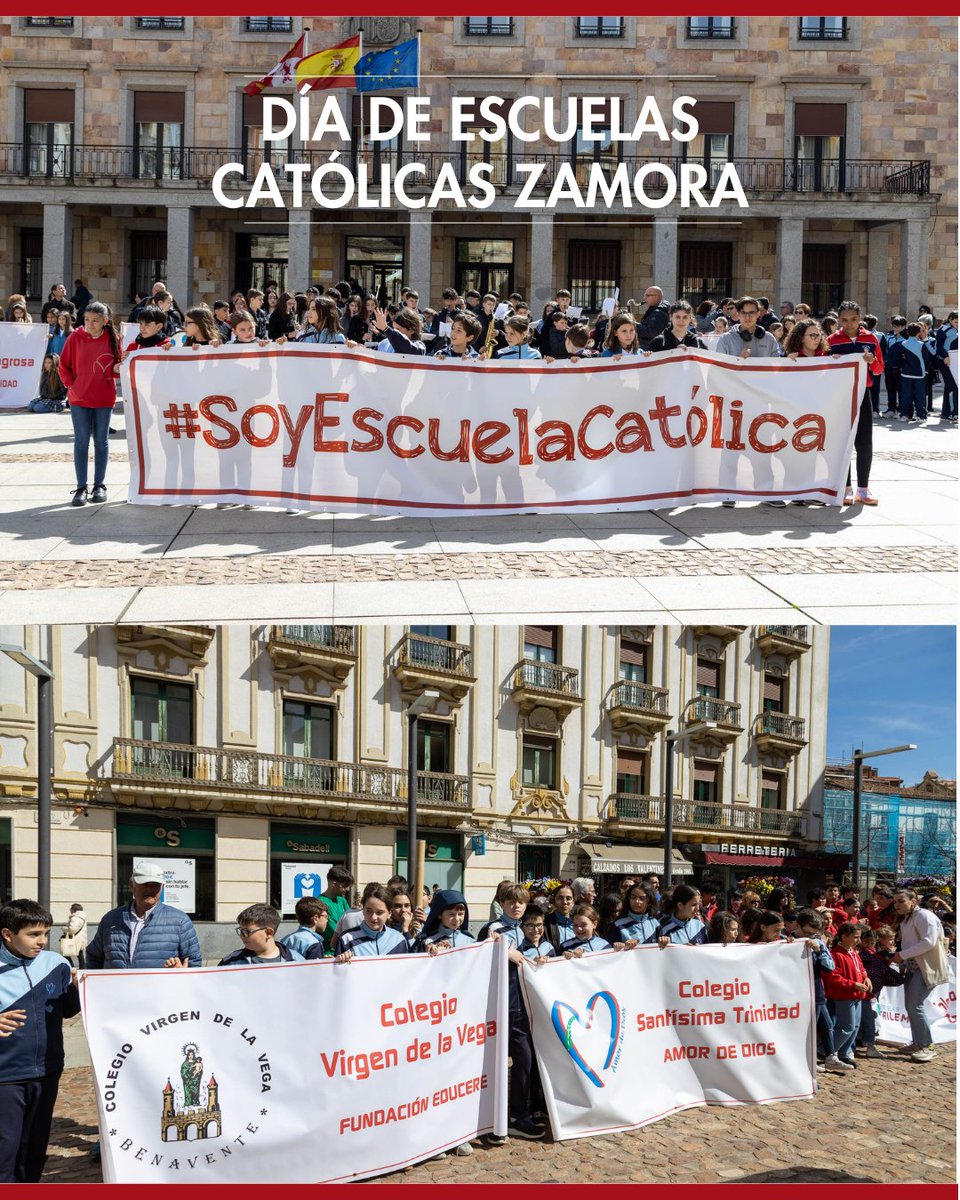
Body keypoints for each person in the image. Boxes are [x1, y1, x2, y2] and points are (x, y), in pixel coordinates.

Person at [0, 899, 81, 1183]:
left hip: (48, 1071)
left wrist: (76, 989)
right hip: (5, 1077)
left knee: (34, 1149)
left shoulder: (56, 964)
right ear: (7, 934)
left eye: (45, 933)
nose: (42, 941)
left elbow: (69, 1009)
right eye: (33, 934)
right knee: (5, 1150)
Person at [58, 301, 121, 508]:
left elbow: (114, 368)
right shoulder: (75, 337)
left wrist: (119, 369)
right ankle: (81, 487)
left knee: (101, 442)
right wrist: (72, 385)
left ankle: (99, 485)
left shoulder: (113, 339)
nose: (90, 324)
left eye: (95, 321)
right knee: (81, 442)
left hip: (103, 397)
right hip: (79, 398)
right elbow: (63, 366)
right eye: (86, 320)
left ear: (105, 321)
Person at [85, 862, 202, 969]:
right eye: (144, 884)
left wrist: (182, 976)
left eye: (155, 885)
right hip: (118, 991)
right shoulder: (110, 920)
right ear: (131, 885)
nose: (150, 889)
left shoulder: (180, 921)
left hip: (162, 992)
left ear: (162, 887)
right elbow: (94, 958)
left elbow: (194, 963)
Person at [827, 300, 884, 506]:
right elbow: (824, 371)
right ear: (838, 320)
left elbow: (879, 370)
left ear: (860, 319)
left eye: (853, 319)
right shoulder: (832, 340)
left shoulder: (871, 339)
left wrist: (872, 362)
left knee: (864, 442)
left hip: (863, 394)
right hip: (841, 396)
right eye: (844, 320)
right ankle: (846, 487)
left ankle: (863, 488)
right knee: (843, 442)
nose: (849, 324)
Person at [890, 889, 948, 1063]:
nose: (896, 905)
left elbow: (928, 942)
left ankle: (927, 1045)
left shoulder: (924, 916)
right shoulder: (908, 918)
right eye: (895, 901)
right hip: (914, 967)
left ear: (913, 901)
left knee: (915, 1005)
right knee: (911, 1005)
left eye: (901, 901)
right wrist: (903, 959)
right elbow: (910, 943)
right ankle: (918, 1043)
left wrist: (902, 955)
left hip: (926, 967)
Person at [794, 908, 840, 1072]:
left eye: (813, 934)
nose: (809, 937)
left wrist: (819, 950)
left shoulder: (818, 942)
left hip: (817, 991)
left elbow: (830, 967)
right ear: (798, 926)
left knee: (826, 1025)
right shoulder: (789, 940)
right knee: (807, 1029)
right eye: (806, 932)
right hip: (798, 994)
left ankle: (829, 1057)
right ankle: (808, 1060)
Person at [823, 921, 871, 1069]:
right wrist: (853, 984)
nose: (858, 940)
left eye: (859, 937)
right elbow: (834, 977)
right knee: (846, 1027)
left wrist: (866, 977)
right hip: (844, 995)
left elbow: (861, 968)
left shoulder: (853, 952)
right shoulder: (836, 954)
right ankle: (828, 1051)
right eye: (855, 937)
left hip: (857, 994)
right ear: (844, 936)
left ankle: (844, 1053)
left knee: (855, 1027)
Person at [325, 885, 409, 961]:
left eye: (379, 912)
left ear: (389, 913)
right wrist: (338, 962)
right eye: (368, 911)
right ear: (363, 910)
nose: (373, 917)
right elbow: (338, 975)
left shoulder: (399, 939)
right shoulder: (346, 939)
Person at [856, 926, 903, 1058]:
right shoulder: (870, 958)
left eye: (872, 943)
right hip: (863, 993)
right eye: (867, 942)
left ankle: (862, 1044)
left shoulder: (871, 957)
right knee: (866, 1021)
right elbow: (895, 979)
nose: (869, 945)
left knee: (864, 1020)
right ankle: (866, 1045)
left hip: (866, 994)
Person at [219, 905, 304, 966]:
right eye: (241, 930)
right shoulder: (231, 961)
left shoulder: (296, 960)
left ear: (268, 933)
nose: (242, 935)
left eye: (247, 931)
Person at [312, 865, 354, 955]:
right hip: (329, 953)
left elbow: (351, 922)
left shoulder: (341, 900)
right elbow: (335, 932)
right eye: (345, 886)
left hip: (345, 950)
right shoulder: (320, 902)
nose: (347, 889)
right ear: (334, 884)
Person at [633, 285, 670, 350]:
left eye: (647, 296)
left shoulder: (659, 313)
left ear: (656, 297)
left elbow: (650, 332)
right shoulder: (656, 310)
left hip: (650, 349)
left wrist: (633, 324)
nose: (644, 298)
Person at [544, 883, 575, 951]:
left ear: (573, 902)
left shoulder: (579, 922)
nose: (564, 902)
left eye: (568, 898)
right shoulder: (545, 923)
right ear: (554, 901)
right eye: (560, 898)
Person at [59, 902, 87, 968]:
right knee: (80, 955)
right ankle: (82, 968)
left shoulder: (75, 918)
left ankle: (72, 967)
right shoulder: (82, 917)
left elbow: (72, 929)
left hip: (75, 939)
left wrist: (63, 928)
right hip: (80, 939)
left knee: (65, 953)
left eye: (70, 909)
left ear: (73, 910)